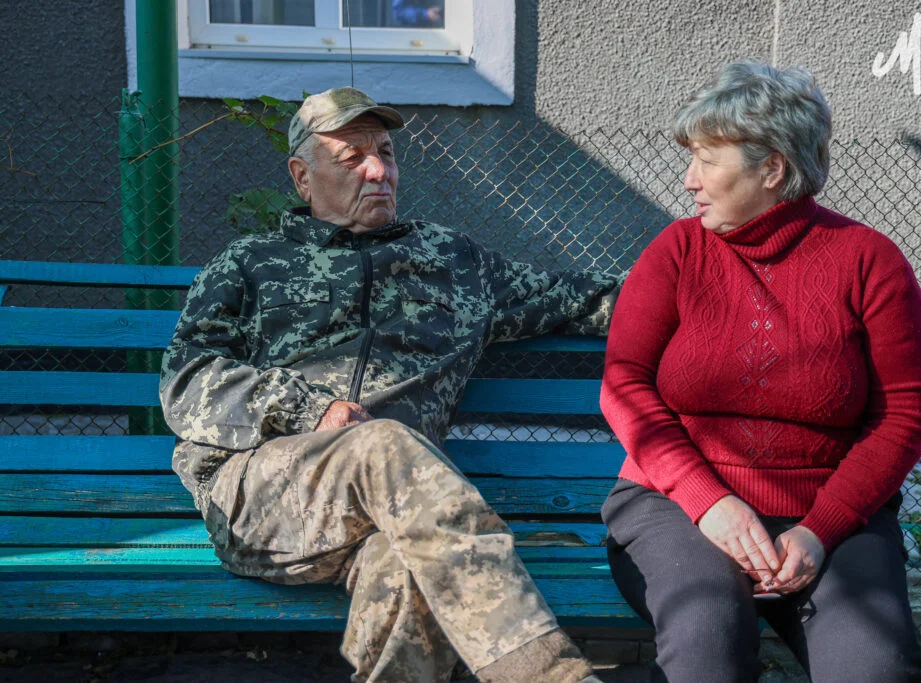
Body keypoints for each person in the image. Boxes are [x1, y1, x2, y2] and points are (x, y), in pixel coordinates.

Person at [160, 86, 618, 683]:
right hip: (265, 493)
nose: (378, 171)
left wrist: (718, 292)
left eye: (385, 153)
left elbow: (586, 299)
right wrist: (307, 410)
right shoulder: (250, 263)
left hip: (406, 508)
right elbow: (188, 379)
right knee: (382, 445)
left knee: (406, 571)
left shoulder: (455, 263)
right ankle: (550, 676)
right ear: (302, 177)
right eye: (352, 158)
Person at [599, 61, 921, 682]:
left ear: (772, 168)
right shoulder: (677, 251)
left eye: (706, 160)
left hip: (828, 516)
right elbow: (625, 386)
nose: (689, 180)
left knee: (875, 669)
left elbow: (901, 418)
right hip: (677, 508)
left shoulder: (871, 262)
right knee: (710, 642)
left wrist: (820, 530)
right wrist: (710, 503)